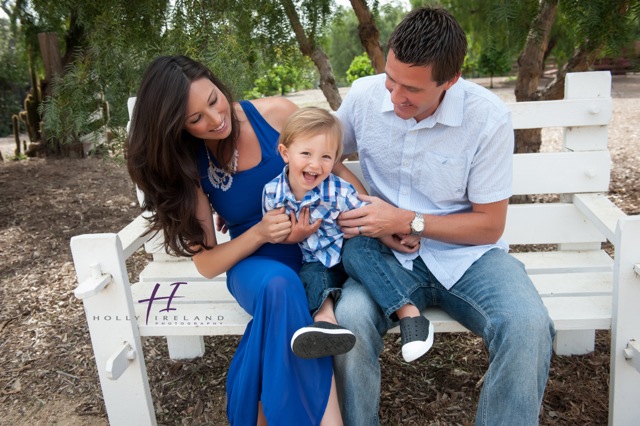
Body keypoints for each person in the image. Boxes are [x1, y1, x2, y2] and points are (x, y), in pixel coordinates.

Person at [332, 7, 556, 426]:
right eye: (391, 79)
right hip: (384, 259)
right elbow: (317, 155)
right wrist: (368, 208)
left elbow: (489, 225)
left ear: (450, 81)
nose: (396, 96)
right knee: (349, 321)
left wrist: (405, 220)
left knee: (527, 325)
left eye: (412, 90)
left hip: (468, 258)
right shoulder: (364, 97)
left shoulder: (486, 117)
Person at [127, 55, 350, 426]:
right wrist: (260, 232)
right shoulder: (190, 163)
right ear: (176, 128)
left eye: (213, 101)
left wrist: (376, 216)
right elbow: (209, 263)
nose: (215, 120)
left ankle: (261, 414)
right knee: (281, 287)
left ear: (217, 84)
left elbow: (337, 175)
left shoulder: (277, 115)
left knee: (285, 304)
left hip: (317, 254)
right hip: (256, 265)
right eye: (195, 119)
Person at [263, 107, 435, 363]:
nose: (315, 164)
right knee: (311, 274)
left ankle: (410, 315)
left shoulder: (339, 191)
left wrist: (390, 237)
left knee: (357, 251)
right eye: (306, 154)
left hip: (352, 248)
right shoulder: (273, 193)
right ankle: (326, 323)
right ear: (285, 153)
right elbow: (275, 234)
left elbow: (367, 219)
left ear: (335, 159)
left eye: (325, 157)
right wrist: (294, 235)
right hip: (318, 259)